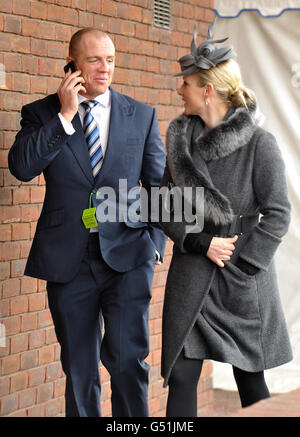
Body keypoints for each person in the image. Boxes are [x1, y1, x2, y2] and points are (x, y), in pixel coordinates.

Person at [8, 28, 167, 417]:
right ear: (73, 64)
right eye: (95, 60)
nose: (105, 68)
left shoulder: (141, 115)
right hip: (69, 261)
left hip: (129, 257)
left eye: (110, 60)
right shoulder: (41, 113)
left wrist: (154, 245)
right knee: (79, 368)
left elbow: (160, 185)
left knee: (129, 362)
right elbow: (22, 167)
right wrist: (65, 115)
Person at [159, 20, 293, 417]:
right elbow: (165, 205)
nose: (179, 89)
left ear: (207, 89)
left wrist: (244, 263)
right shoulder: (179, 142)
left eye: (185, 82)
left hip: (241, 279)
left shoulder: (259, 144)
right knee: (182, 376)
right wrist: (199, 242)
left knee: (249, 379)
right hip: (192, 272)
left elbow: (278, 214)